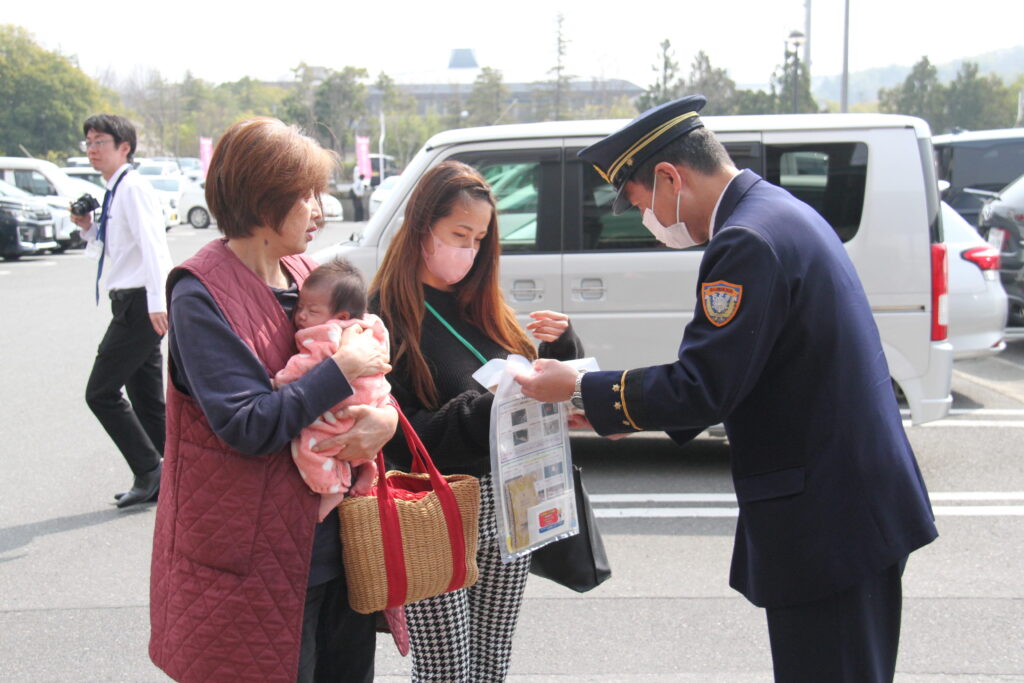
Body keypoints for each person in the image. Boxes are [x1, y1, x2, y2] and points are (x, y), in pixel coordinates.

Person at [516, 95, 939, 683]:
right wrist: (605, 402)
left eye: (642, 204)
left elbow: (704, 386)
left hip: (830, 521)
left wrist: (582, 391)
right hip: (853, 505)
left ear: (670, 177)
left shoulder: (744, 241)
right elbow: (741, 370)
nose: (650, 222)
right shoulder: (777, 211)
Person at [149, 117, 398, 683]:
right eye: (305, 195)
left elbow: (371, 374)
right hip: (250, 560)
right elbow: (247, 425)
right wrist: (339, 371)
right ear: (263, 201)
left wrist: (383, 419)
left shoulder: (306, 273)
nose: (321, 209)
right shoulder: (200, 294)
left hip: (339, 548)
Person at [370, 160, 584, 682]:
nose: (469, 250)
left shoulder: (482, 304)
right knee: (446, 673)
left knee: (491, 668)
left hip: (511, 505)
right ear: (422, 227)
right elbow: (402, 440)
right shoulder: (384, 315)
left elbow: (535, 391)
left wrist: (560, 352)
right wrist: (492, 407)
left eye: (480, 238)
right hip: (433, 516)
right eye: (458, 234)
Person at [69, 114, 173, 508]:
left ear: (123, 147)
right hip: (131, 300)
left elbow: (153, 246)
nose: (93, 150)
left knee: (100, 392)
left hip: (139, 303)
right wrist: (87, 227)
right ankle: (178, 474)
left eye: (100, 142)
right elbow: (116, 250)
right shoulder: (115, 190)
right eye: (89, 143)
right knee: (146, 399)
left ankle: (150, 469)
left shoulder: (133, 188)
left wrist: (158, 302)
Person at [273, 256, 389, 521]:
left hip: (343, 405)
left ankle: (331, 489)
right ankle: (365, 467)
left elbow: (305, 365)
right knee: (351, 441)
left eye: (312, 311)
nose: (300, 316)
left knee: (310, 446)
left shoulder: (327, 334)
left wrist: (280, 381)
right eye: (300, 307)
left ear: (342, 316)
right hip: (372, 400)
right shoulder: (370, 326)